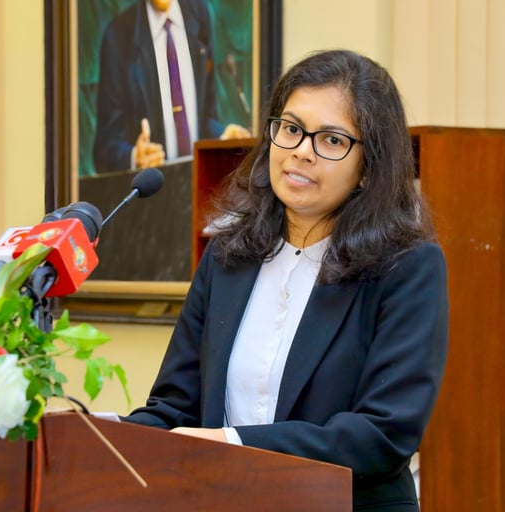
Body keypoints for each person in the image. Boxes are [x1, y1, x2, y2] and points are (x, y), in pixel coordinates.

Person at [122, 49, 449, 511]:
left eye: (331, 140)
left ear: (367, 168)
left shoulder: (407, 268)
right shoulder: (226, 257)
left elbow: (382, 434)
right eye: (292, 129)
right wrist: (90, 431)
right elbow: (175, 409)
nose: (301, 151)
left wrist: (230, 443)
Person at [93, 0, 250, 173]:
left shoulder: (199, 14)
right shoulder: (118, 35)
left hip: (199, 187)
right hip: (152, 194)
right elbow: (105, 147)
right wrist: (133, 157)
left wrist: (223, 137)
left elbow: (204, 117)